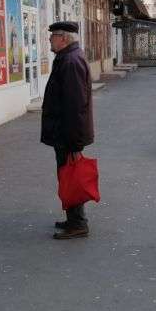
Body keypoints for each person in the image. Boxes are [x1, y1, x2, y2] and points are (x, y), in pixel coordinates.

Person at [41, 21, 94, 240]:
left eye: (53, 36)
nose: (49, 39)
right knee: (67, 176)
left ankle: (78, 223)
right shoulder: (67, 58)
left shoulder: (70, 61)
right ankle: (73, 219)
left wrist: (74, 142)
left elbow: (75, 105)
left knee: (71, 176)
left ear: (63, 38)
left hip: (67, 135)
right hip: (65, 133)